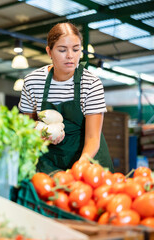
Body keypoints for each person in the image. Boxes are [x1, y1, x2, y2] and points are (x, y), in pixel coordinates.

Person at [19, 22, 114, 174]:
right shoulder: (33, 82)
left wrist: (79, 168)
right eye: (62, 50)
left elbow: (92, 138)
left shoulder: (90, 83)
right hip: (49, 162)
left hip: (87, 160)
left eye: (76, 49)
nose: (70, 56)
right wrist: (40, 135)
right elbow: (28, 127)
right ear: (49, 51)